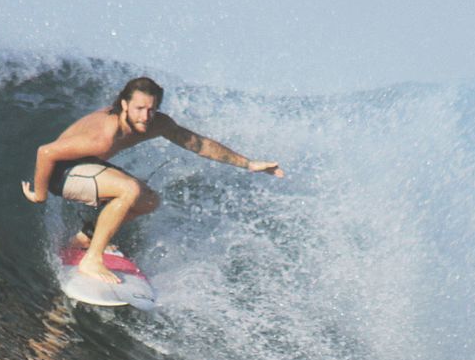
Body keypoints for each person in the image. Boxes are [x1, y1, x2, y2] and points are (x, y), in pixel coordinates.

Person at [21, 76, 284, 285]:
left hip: (87, 167)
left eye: (151, 109)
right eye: (139, 109)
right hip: (61, 172)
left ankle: (85, 237)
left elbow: (199, 144)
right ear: (124, 104)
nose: (145, 116)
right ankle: (91, 259)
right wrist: (40, 193)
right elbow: (46, 152)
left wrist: (249, 163)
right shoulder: (104, 134)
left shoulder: (156, 123)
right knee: (129, 190)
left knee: (148, 201)